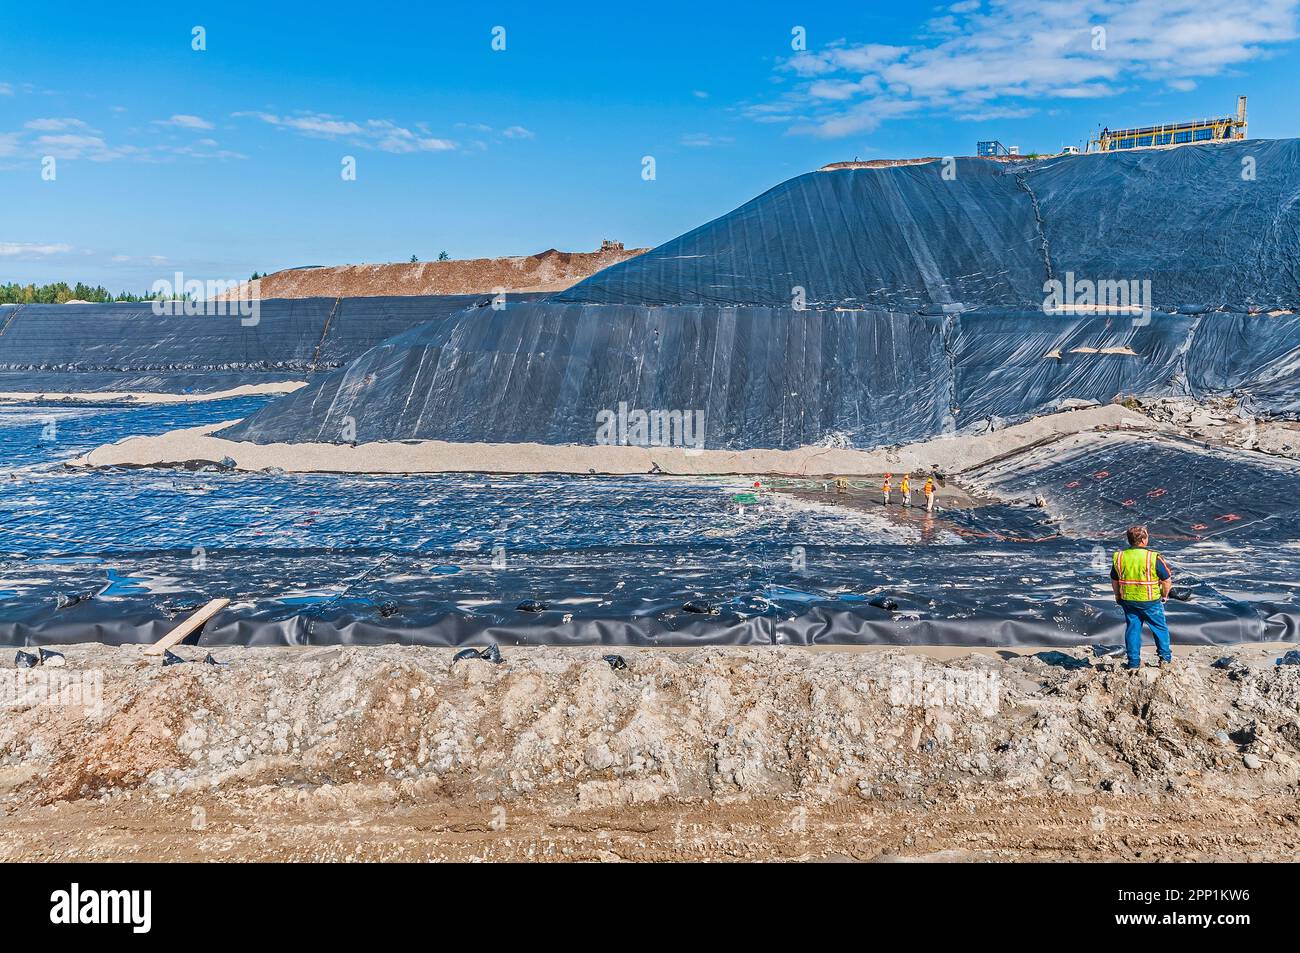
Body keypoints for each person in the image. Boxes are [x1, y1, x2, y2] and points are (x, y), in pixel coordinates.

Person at [1110, 524, 1173, 669]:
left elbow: (1114, 579)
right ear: (1144, 540)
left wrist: (1118, 595)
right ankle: (1165, 660)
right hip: (1150, 600)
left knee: (1132, 629)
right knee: (1160, 628)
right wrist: (1164, 595)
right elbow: (1166, 579)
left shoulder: (1119, 557)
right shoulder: (1152, 557)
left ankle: (1133, 663)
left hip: (1128, 600)